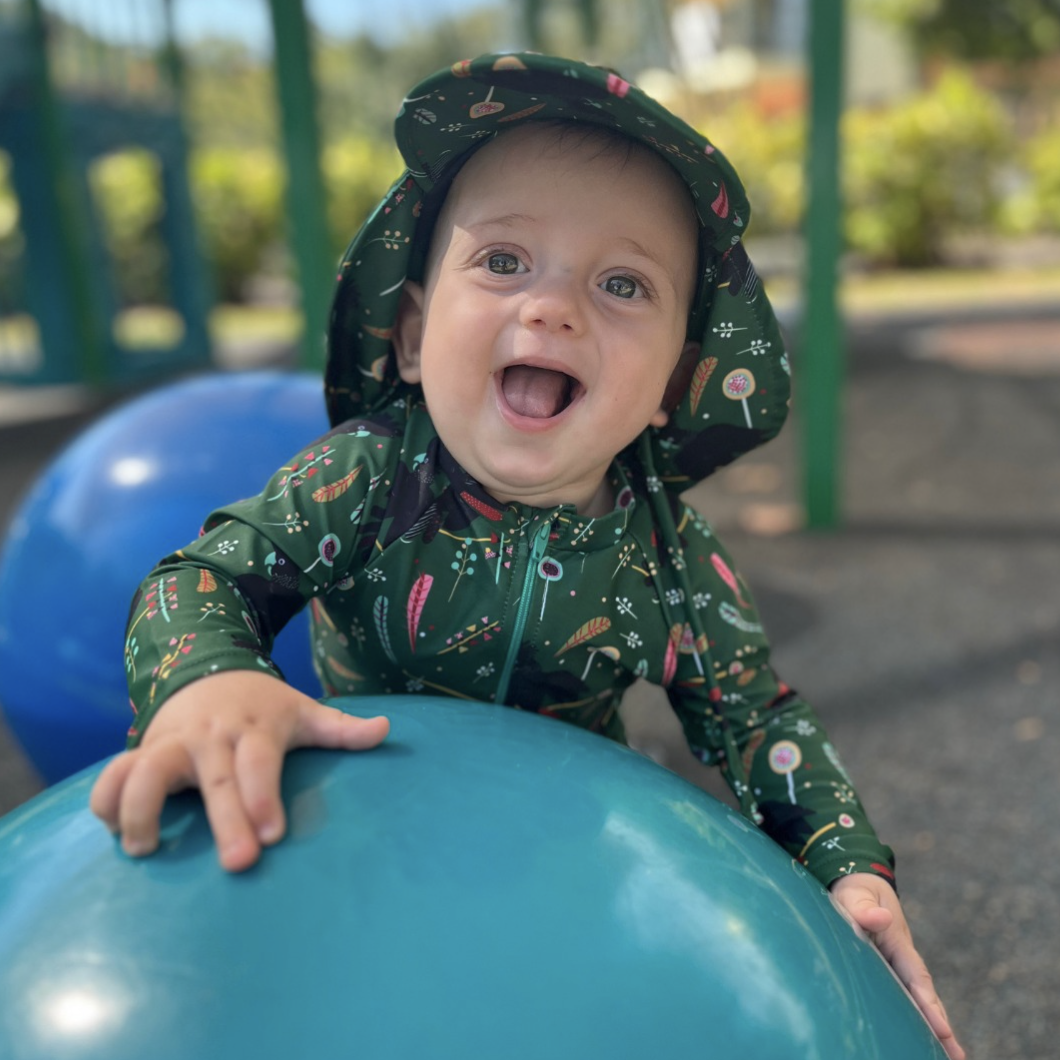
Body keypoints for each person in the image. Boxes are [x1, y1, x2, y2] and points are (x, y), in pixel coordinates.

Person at [90, 52, 963, 1058]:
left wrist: (847, 864)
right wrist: (208, 678)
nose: (554, 307)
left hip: (568, 862)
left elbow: (756, 717)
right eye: (503, 261)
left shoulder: (664, 555)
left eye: (623, 283)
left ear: (673, 385)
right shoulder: (368, 477)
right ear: (412, 335)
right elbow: (205, 577)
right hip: (362, 836)